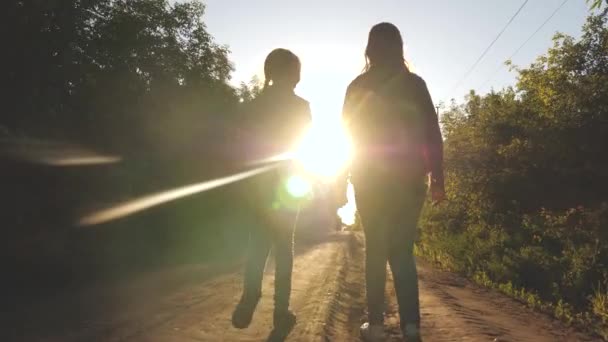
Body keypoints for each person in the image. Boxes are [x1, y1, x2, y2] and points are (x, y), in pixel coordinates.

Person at [340, 23, 445, 341]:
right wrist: (438, 179)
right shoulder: (415, 84)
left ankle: (375, 328)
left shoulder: (357, 85)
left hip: (369, 179)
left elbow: (348, 138)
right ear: (400, 49)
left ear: (369, 49)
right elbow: (432, 134)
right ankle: (411, 330)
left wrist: (340, 181)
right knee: (401, 252)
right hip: (410, 179)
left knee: (376, 250)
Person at [232, 48, 312, 330]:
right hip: (289, 184)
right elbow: (304, 147)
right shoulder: (301, 107)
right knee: (284, 248)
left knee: (258, 244)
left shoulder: (254, 105)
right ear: (295, 74)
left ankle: (250, 294)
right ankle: (281, 311)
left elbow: (243, 148)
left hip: (259, 184)